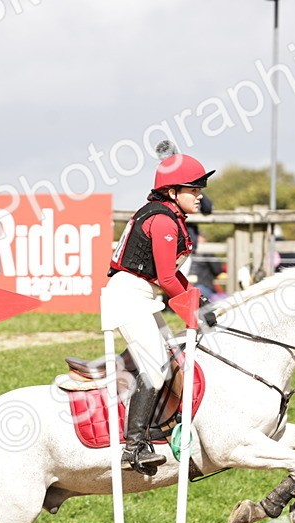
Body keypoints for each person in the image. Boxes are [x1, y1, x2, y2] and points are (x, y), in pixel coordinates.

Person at [106, 150, 214, 476]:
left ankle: (155, 428)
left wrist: (198, 300)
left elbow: (172, 277)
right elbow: (167, 278)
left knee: (170, 359)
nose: (199, 196)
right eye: (192, 189)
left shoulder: (170, 217)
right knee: (155, 366)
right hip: (129, 295)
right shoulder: (163, 220)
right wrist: (190, 308)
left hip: (142, 294)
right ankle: (133, 446)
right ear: (171, 192)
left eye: (199, 189)